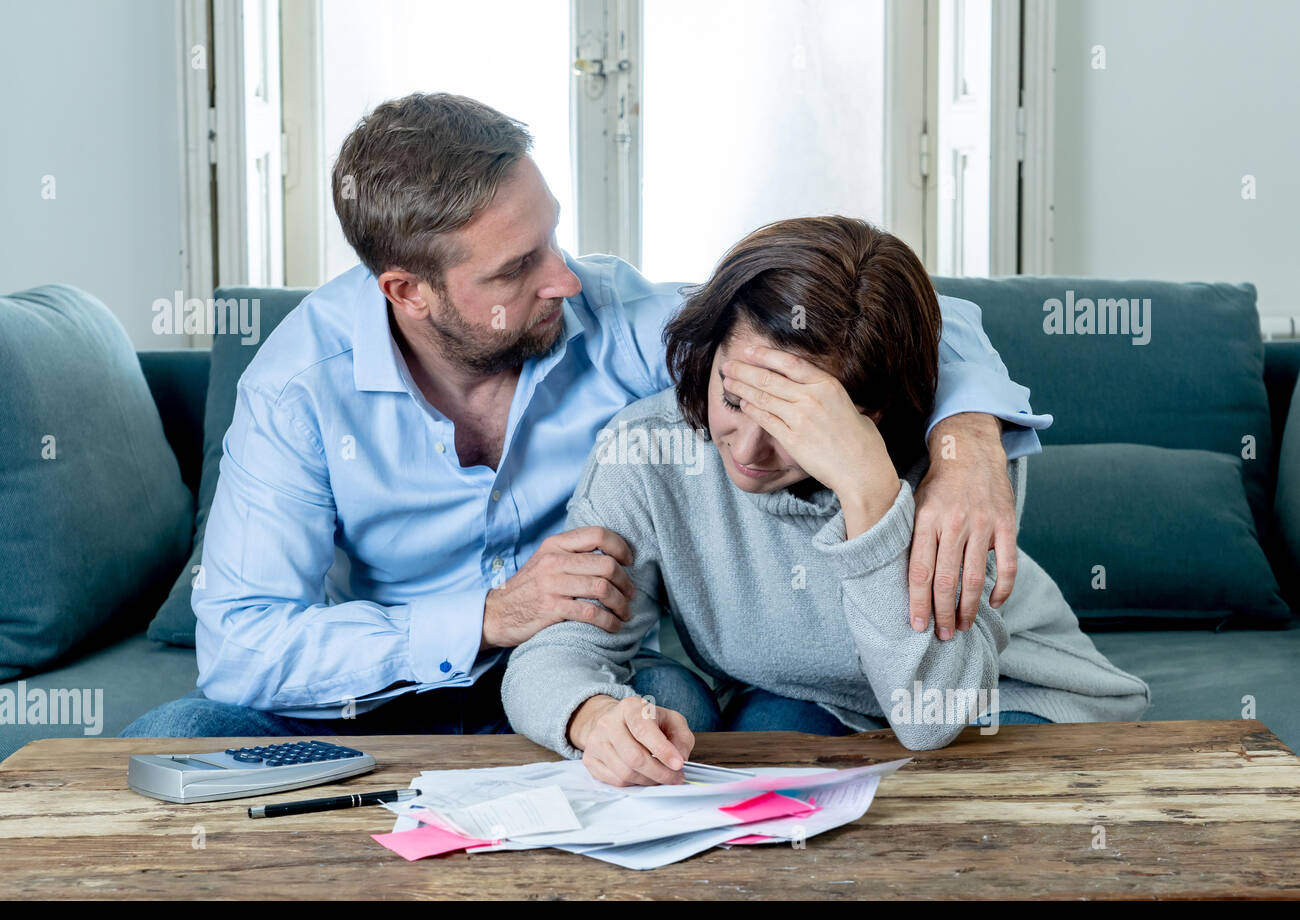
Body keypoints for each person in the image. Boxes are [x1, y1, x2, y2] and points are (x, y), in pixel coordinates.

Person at [123, 93, 1050, 740]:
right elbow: (241, 644)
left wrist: (966, 445)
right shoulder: (299, 388)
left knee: (685, 712)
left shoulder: (607, 319)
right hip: (379, 691)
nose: (561, 277)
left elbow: (848, 306)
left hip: (598, 672)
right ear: (406, 291)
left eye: (551, 237)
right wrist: (487, 615)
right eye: (515, 269)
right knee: (174, 739)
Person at [502, 216, 1151, 786]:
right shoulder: (647, 451)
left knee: (965, 805)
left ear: (873, 416)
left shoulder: (952, 476)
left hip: (1001, 697)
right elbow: (555, 652)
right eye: (734, 399)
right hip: (827, 698)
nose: (750, 451)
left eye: (795, 426)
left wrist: (870, 494)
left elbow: (934, 717)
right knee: (757, 735)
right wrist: (590, 717)